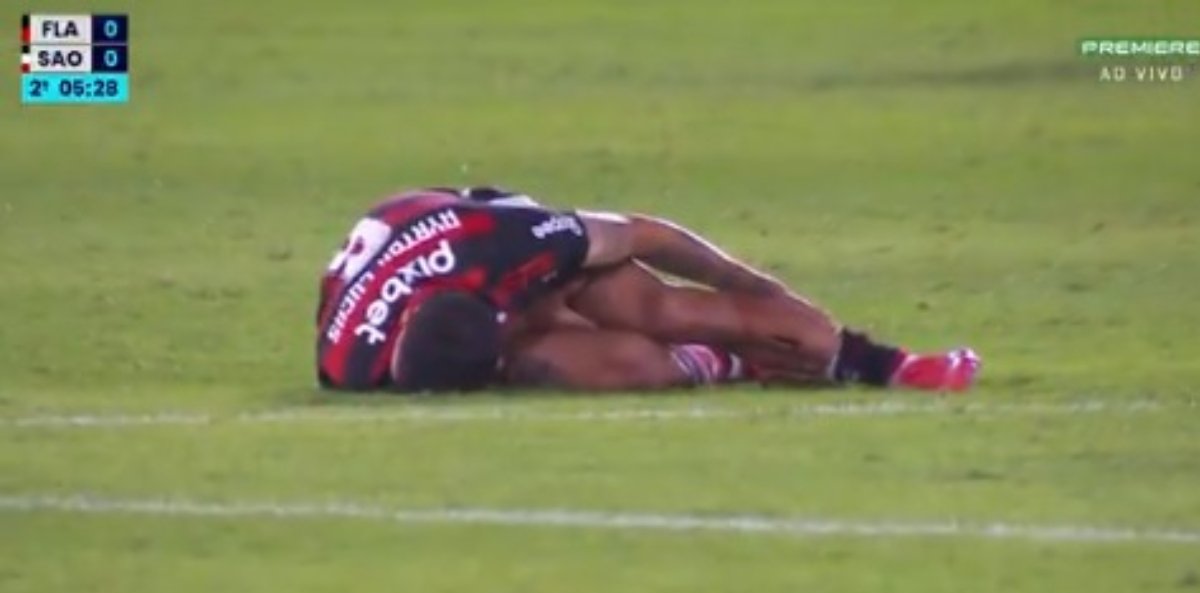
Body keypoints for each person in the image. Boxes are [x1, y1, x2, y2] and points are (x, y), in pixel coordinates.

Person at [315, 186, 980, 393]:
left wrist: (746, 285)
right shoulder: (348, 365)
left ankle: (883, 362)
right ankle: (725, 364)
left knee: (652, 308)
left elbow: (645, 235)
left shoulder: (515, 242)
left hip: (468, 228)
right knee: (622, 363)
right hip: (428, 265)